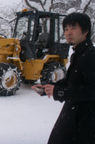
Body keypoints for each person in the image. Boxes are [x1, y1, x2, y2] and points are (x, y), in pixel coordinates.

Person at [32, 12, 95, 144]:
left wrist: (59, 92)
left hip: (84, 120)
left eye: (73, 28)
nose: (68, 33)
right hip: (72, 113)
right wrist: (49, 88)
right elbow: (71, 81)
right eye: (66, 29)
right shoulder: (78, 54)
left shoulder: (91, 55)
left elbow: (91, 90)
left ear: (85, 31)